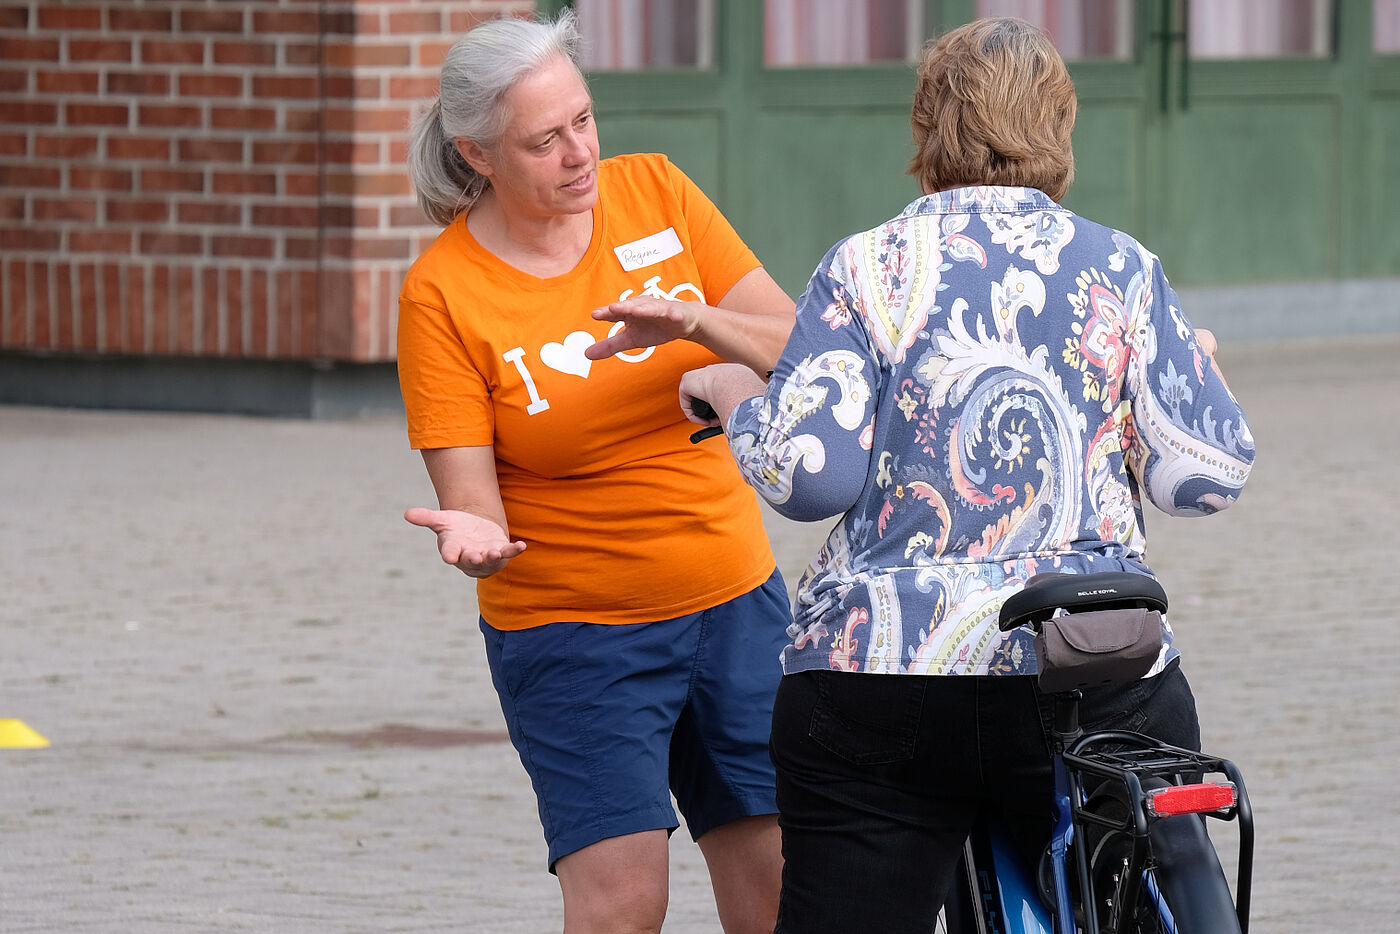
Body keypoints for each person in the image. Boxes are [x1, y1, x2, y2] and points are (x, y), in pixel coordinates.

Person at [678, 16, 1256, 933]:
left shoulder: (866, 268)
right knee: (1137, 844)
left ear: (926, 128)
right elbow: (1206, 476)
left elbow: (811, 479)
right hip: (1092, 667)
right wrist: (1198, 370)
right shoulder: (1123, 268)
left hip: (886, 678)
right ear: (1062, 127)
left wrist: (730, 389)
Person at [396, 12, 795, 934]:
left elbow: (800, 349)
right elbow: (472, 500)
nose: (579, 153)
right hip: (577, 636)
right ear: (478, 154)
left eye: (583, 119)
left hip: (735, 601)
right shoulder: (442, 294)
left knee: (780, 886)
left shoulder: (656, 191)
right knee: (622, 905)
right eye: (544, 139)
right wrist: (478, 542)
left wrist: (698, 325)